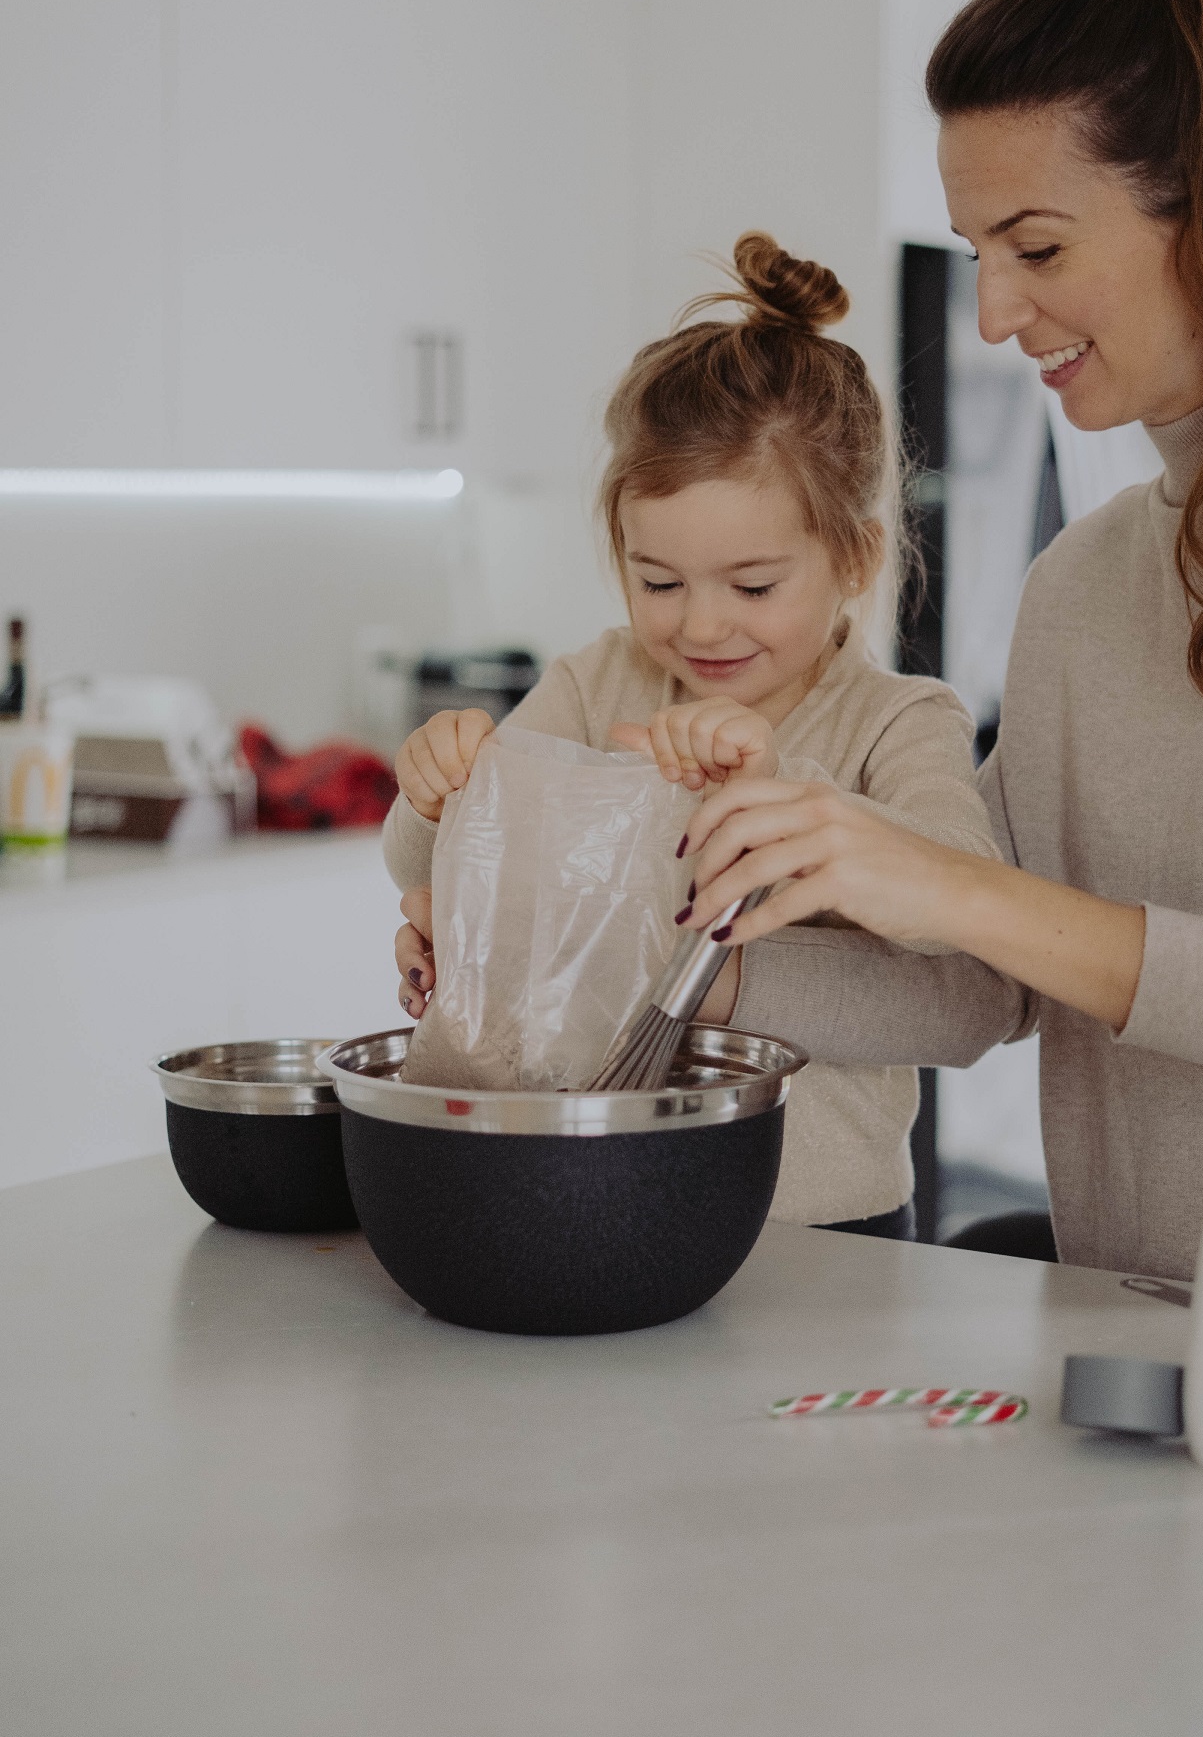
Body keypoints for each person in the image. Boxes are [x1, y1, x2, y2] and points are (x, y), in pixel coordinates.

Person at [667, 0, 1203, 1286]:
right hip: (1125, 1355)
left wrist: (947, 881)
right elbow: (974, 985)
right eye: (979, 251)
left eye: (1035, 247)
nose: (993, 313)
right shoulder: (1082, 579)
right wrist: (652, 953)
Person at [385, 233, 997, 1239]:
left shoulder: (899, 722)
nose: (700, 627)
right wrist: (439, 789)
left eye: (753, 586)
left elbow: (959, 924)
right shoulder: (599, 681)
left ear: (855, 559)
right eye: (658, 582)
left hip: (823, 1235)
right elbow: (423, 866)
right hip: (593, 1193)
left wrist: (778, 793)